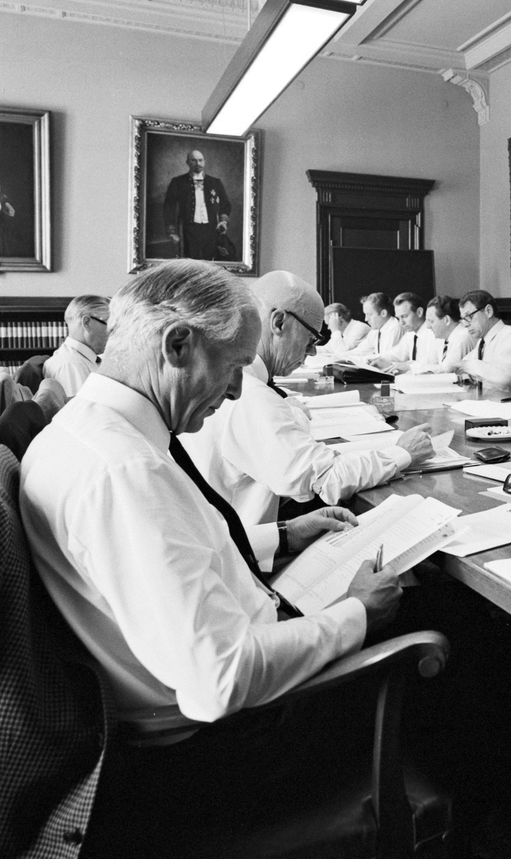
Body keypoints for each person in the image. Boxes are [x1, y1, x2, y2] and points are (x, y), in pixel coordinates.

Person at [20, 260, 407, 721]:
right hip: (235, 731)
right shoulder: (126, 472)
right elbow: (223, 677)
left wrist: (283, 534)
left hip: (242, 649)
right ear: (177, 345)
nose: (238, 390)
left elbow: (178, 550)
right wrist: (358, 611)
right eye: (234, 366)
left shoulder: (87, 429)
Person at [185, 270, 433, 533]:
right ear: (279, 322)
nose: (313, 350)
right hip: (245, 545)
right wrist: (402, 453)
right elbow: (328, 479)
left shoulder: (231, 380)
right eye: (312, 338)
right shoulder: (249, 393)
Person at [455, 289, 511, 400]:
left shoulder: (510, 335)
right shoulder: (483, 342)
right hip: (491, 403)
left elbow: (504, 377)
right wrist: (463, 368)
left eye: (469, 316)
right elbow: (462, 366)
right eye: (463, 319)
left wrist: (467, 366)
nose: (465, 324)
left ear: (488, 311)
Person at [163, 148, 232, 261]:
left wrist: (223, 221)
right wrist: (172, 232)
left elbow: (225, 204)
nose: (198, 163)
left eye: (200, 160)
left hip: (211, 229)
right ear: (187, 162)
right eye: (193, 160)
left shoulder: (215, 182)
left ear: (204, 162)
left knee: (210, 260)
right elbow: (169, 207)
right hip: (188, 229)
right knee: (190, 261)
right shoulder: (178, 182)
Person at [44, 295, 109, 397]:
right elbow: (82, 407)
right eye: (111, 325)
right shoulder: (71, 365)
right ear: (87, 322)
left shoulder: (82, 360)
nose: (114, 333)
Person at [371, 291, 438, 373]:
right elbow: (396, 354)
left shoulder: (434, 333)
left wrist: (408, 365)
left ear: (419, 312)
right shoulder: (411, 334)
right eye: (399, 318)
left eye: (404, 316)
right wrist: (378, 360)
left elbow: (429, 364)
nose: (401, 323)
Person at [408, 296, 473, 374]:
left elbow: (446, 369)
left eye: (431, 321)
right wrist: (411, 366)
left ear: (446, 320)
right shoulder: (441, 338)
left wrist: (411, 366)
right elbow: (428, 361)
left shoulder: (463, 337)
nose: (428, 326)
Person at [348, 291, 403, 357]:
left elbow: (385, 358)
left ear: (383, 313)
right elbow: (359, 351)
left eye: (369, 314)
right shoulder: (375, 331)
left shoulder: (395, 328)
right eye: (365, 314)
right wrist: (338, 356)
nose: (366, 319)